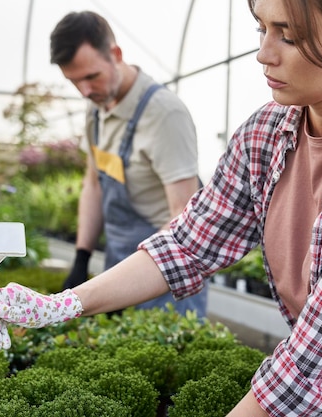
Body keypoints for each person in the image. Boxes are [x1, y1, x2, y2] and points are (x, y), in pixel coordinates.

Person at [0, 0, 322, 415]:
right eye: (261, 28)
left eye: (289, 35)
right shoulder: (269, 131)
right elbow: (188, 244)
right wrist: (61, 305)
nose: (264, 53)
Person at [49, 10, 207, 316]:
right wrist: (81, 258)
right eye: (74, 81)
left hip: (166, 275)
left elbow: (184, 218)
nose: (84, 90)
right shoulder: (96, 108)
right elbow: (94, 183)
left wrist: (131, 279)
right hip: (120, 263)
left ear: (116, 54)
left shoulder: (163, 114)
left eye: (91, 76)